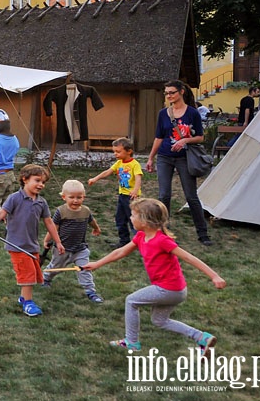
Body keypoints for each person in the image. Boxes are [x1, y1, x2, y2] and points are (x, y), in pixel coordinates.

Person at [83, 198, 226, 354]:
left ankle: (131, 342)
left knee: (131, 301)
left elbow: (189, 258)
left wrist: (214, 276)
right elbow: (121, 252)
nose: (130, 218)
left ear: (145, 221)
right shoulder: (140, 237)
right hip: (176, 290)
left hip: (168, 289)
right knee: (159, 320)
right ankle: (202, 337)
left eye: (133, 215)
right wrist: (98, 264)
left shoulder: (162, 241)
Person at [0, 164, 64, 317]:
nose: (41, 185)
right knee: (28, 275)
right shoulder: (14, 198)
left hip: (32, 245)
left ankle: (23, 298)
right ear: (25, 179)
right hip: (17, 245)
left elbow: (49, 222)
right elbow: (1, 213)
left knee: (34, 274)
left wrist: (58, 242)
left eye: (43, 182)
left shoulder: (41, 202)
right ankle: (28, 304)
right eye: (37, 180)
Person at [145, 80, 213, 246]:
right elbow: (159, 137)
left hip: (185, 158)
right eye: (167, 93)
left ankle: (202, 234)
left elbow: (201, 137)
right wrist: (150, 157)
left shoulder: (192, 113)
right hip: (164, 157)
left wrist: (184, 141)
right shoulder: (163, 114)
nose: (169, 96)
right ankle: (162, 231)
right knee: (164, 195)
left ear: (181, 92)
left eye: (172, 92)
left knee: (191, 196)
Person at [42, 179, 103, 302]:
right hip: (62, 249)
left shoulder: (85, 211)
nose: (75, 200)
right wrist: (46, 240)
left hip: (80, 248)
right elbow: (54, 228)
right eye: (72, 197)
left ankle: (90, 291)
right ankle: (46, 278)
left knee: (84, 269)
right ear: (64, 197)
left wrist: (96, 228)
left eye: (79, 197)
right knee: (56, 267)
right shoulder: (61, 211)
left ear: (83, 197)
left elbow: (91, 221)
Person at [88, 137, 143, 249]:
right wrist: (95, 178)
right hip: (122, 196)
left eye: (118, 151)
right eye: (114, 151)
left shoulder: (134, 164)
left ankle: (141, 242)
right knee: (120, 218)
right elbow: (108, 172)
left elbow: (138, 177)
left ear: (129, 151)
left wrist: (135, 190)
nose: (115, 154)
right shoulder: (119, 163)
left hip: (132, 197)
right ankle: (124, 241)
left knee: (133, 219)